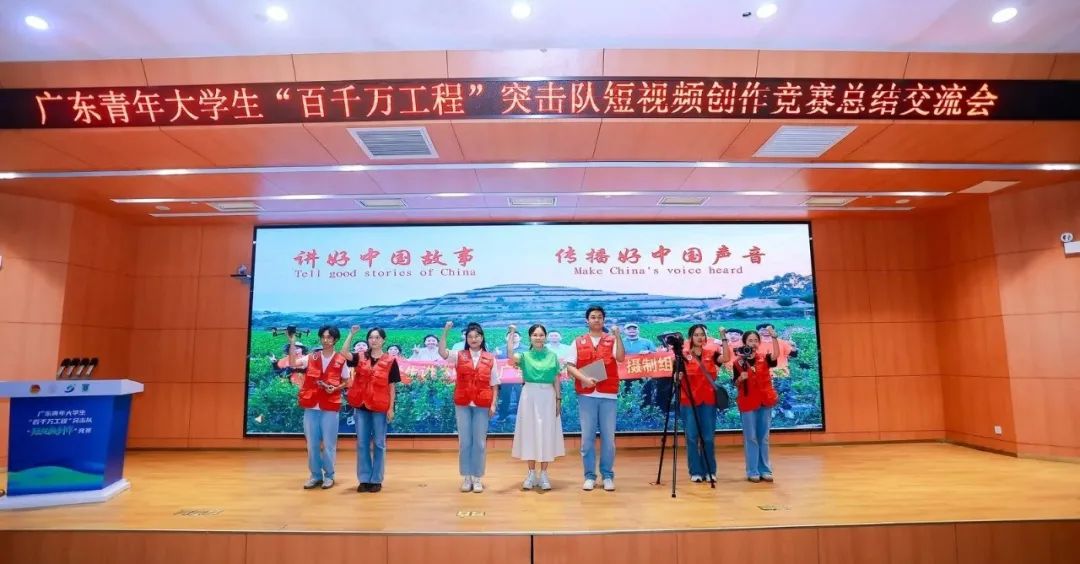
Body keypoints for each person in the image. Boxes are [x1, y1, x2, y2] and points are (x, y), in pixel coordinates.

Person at [507, 323, 596, 491]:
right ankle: (531, 473)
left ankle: (544, 474)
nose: (538, 338)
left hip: (548, 396)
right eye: (535, 335)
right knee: (530, 433)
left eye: (541, 335)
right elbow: (511, 354)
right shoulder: (524, 356)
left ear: (545, 337)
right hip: (529, 395)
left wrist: (558, 399)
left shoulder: (552, 356)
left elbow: (556, 378)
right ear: (530, 337)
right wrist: (512, 333)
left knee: (546, 433)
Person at [561, 305, 625, 492]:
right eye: (593, 317)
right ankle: (589, 476)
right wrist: (584, 379)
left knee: (608, 438)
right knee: (587, 438)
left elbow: (620, 358)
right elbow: (570, 366)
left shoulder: (611, 339)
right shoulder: (578, 341)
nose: (596, 320)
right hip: (587, 395)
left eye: (599, 317)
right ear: (587, 320)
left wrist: (618, 336)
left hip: (608, 394)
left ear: (604, 320)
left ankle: (607, 475)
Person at [290, 325, 356, 490]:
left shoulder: (340, 360)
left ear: (335, 340)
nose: (326, 340)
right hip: (311, 406)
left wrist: (336, 388)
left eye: (329, 337)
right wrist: (292, 342)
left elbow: (346, 381)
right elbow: (292, 363)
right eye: (323, 337)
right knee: (312, 444)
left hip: (330, 407)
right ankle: (315, 476)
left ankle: (329, 476)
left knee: (329, 444)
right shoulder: (311, 357)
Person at [438, 321, 499, 493]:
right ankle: (466, 477)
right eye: (470, 336)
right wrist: (445, 331)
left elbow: (494, 383)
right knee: (465, 442)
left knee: (479, 443)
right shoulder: (459, 355)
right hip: (463, 403)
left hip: (482, 404)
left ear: (482, 338)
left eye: (477, 336)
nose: (473, 339)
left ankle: (477, 477)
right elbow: (442, 352)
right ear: (466, 339)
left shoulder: (490, 358)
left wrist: (493, 404)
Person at [343, 327, 401, 493]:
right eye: (371, 337)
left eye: (377, 337)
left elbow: (392, 387)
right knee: (362, 443)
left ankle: (376, 479)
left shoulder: (390, 361)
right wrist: (351, 334)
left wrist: (391, 408)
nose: (373, 340)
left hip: (380, 406)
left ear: (383, 340)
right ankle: (364, 479)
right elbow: (344, 353)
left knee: (379, 444)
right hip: (361, 405)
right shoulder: (360, 357)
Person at [675, 324, 730, 483]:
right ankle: (696, 471)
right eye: (696, 335)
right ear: (690, 338)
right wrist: (677, 377)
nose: (700, 337)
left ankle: (710, 470)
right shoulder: (683, 356)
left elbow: (726, 358)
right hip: (688, 401)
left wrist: (723, 338)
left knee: (708, 438)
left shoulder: (711, 354)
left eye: (702, 335)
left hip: (708, 400)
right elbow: (675, 377)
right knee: (692, 437)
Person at [733, 327, 780, 483]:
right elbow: (735, 383)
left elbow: (776, 355)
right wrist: (741, 378)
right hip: (747, 403)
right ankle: (752, 471)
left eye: (755, 340)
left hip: (765, 401)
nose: (753, 343)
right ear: (744, 343)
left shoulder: (765, 358)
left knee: (763, 437)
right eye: (750, 340)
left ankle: (765, 470)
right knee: (751, 437)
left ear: (759, 343)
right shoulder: (738, 362)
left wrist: (774, 337)